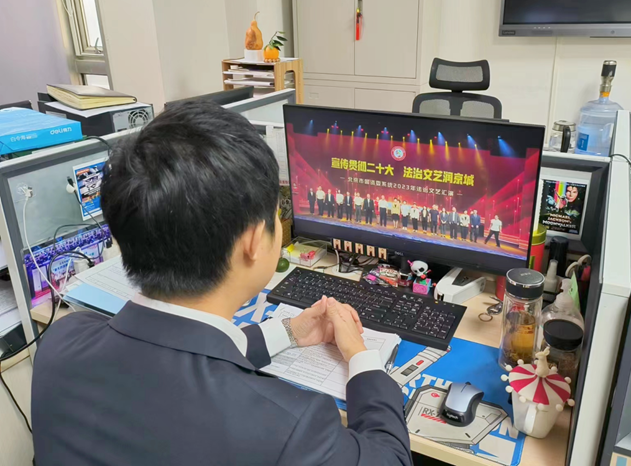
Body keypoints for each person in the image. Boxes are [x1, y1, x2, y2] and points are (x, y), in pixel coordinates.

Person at [31, 102, 411, 466]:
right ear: (253, 242)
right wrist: (361, 357)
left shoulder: (63, 341)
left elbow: (181, 350)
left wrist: (288, 332)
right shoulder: (285, 428)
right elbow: (390, 459)